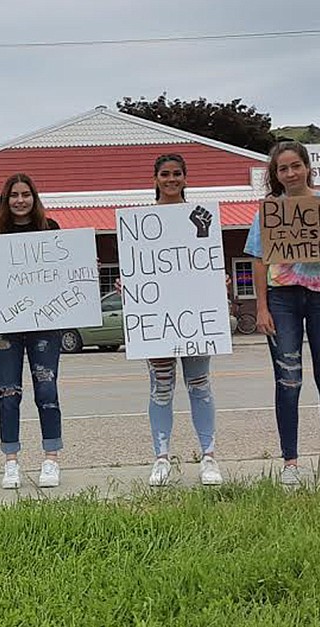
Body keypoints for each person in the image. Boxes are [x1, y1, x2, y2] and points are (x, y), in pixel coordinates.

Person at [244, 141, 320, 485]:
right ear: (276, 175)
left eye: (295, 166)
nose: (290, 173)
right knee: (288, 381)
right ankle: (290, 465)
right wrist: (261, 307)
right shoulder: (270, 211)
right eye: (282, 169)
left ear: (308, 167)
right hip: (282, 298)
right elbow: (258, 258)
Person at [137, 154, 224, 487]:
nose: (171, 179)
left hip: (196, 318)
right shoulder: (141, 221)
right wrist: (128, 284)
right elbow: (139, 268)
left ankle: (209, 457)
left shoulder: (201, 218)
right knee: (161, 389)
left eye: (177, 174)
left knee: (200, 386)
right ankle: (161, 458)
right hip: (158, 320)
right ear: (155, 178)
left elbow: (206, 262)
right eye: (164, 174)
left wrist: (219, 281)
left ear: (186, 178)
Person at [0, 174, 64, 489]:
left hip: (45, 325)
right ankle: (11, 462)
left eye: (25, 194)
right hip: (4, 328)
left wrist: (83, 271)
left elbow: (64, 272)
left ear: (34, 197)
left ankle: (51, 458)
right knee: (8, 393)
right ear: (5, 199)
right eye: (13, 195)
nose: (19, 200)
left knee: (46, 390)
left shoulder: (50, 230)